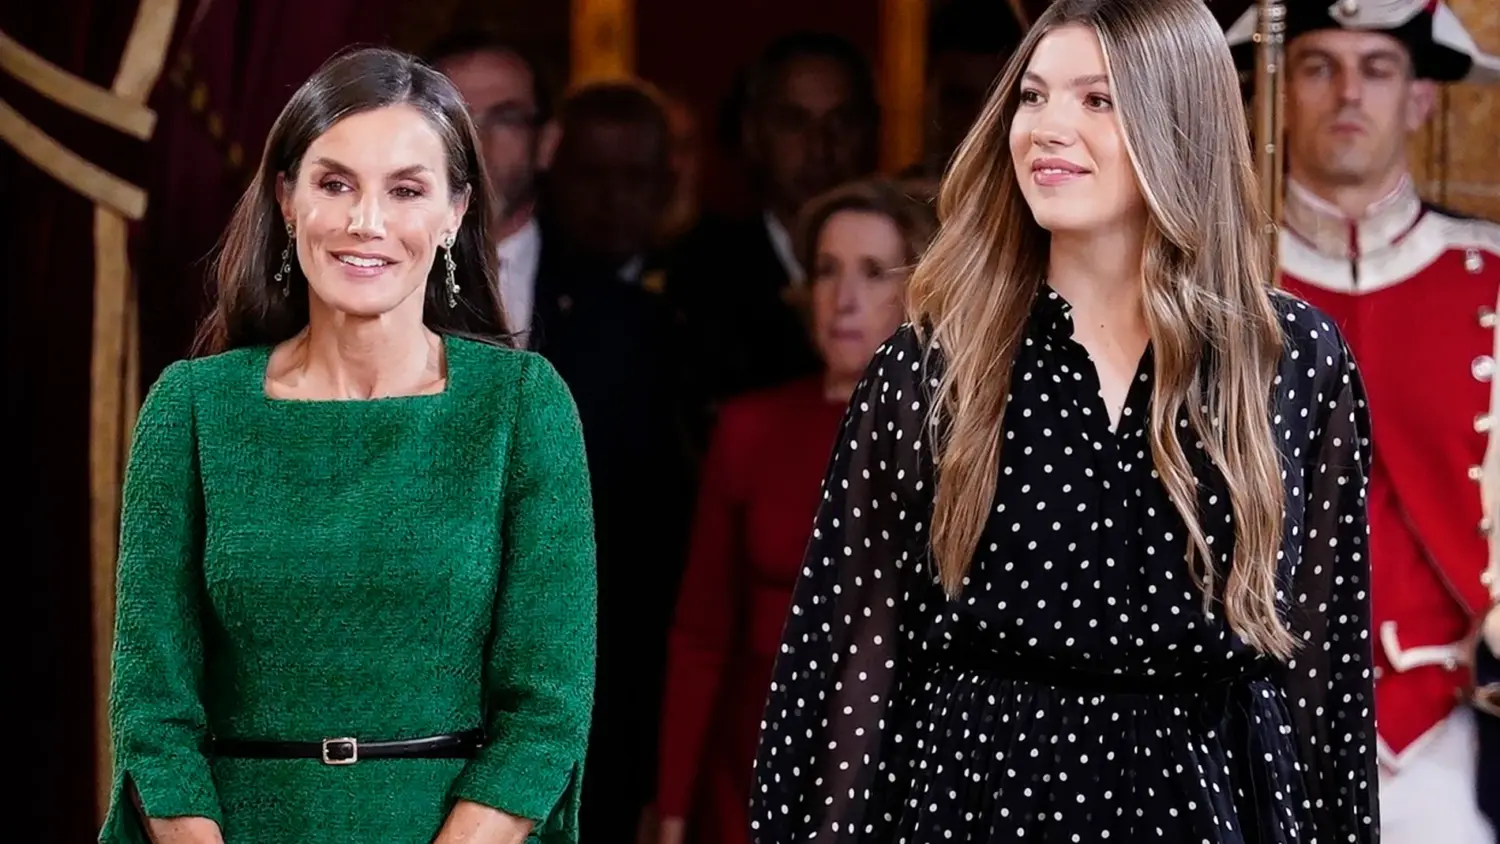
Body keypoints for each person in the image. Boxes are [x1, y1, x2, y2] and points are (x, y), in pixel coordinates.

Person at [750, 0, 1379, 841]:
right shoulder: (933, 365)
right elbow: (845, 669)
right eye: (1033, 96)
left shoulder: (1291, 357)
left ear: (1179, 123)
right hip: (976, 814)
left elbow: (1326, 676)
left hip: (1211, 811)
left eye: (1096, 99)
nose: (1047, 127)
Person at [100, 46, 596, 844]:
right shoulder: (191, 409)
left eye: (406, 190)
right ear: (287, 199)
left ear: (455, 212)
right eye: (335, 184)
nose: (367, 221)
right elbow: (152, 715)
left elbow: (545, 716)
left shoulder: (522, 407)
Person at [1223, 2, 1500, 840]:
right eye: (1319, 66)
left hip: (1450, 733)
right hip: (1242, 725)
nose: (1348, 92)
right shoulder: (1214, 282)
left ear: (1420, 98)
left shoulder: (1490, 276)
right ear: (1277, 92)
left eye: (1377, 69)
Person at [650, 179, 938, 844]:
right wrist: (671, 810)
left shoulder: (956, 440)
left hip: (894, 777)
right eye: (827, 271)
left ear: (920, 289)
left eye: (873, 272)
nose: (844, 298)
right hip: (748, 776)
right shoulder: (749, 429)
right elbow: (701, 635)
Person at [534, 80, 697, 844]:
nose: (612, 199)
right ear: (555, 175)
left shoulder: (706, 292)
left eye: (634, 177)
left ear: (667, 183)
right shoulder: (530, 301)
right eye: (591, 175)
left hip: (664, 633)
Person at [666, 31, 881, 453]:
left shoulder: (913, 263)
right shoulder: (699, 273)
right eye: (794, 122)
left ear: (872, 130)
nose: (821, 147)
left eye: (842, 121)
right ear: (752, 133)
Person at [427, 31, 559, 347]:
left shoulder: (619, 309)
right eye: (452, 118)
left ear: (547, 143)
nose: (477, 142)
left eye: (505, 118)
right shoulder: (376, 283)